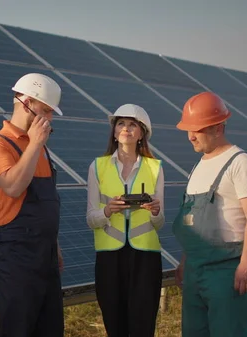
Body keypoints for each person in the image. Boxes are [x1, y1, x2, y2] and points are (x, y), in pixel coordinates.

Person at [172, 91, 247, 337]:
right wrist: (184, 261)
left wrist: (246, 265)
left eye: (197, 129)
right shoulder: (198, 166)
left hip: (226, 271)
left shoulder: (241, 163)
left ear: (217, 128)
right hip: (194, 269)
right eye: (188, 130)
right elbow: (191, 219)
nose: (190, 136)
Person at [0, 73, 65, 337]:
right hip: (15, 257)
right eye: (46, 111)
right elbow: (13, 186)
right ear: (26, 102)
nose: (49, 120)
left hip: (46, 257)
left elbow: (46, 204)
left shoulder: (40, 147)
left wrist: (55, 245)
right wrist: (35, 144)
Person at [86, 104, 165, 337]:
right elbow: (91, 219)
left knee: (143, 328)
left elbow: (159, 223)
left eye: (133, 125)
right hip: (109, 258)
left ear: (142, 133)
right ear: (114, 130)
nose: (126, 129)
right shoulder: (97, 167)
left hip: (145, 259)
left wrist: (154, 211)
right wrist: (108, 211)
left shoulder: (155, 167)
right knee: (115, 326)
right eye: (121, 123)